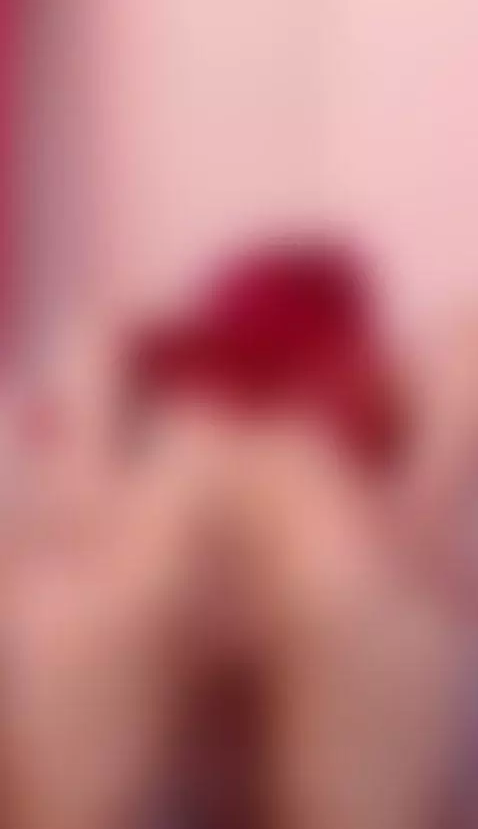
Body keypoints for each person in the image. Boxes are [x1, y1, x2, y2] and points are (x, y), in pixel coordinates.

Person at [1, 235, 477, 829]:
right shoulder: (154, 359)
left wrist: (363, 416)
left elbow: (394, 530)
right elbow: (82, 469)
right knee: (129, 595)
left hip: (315, 465)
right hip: (188, 452)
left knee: (343, 595)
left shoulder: (383, 380)